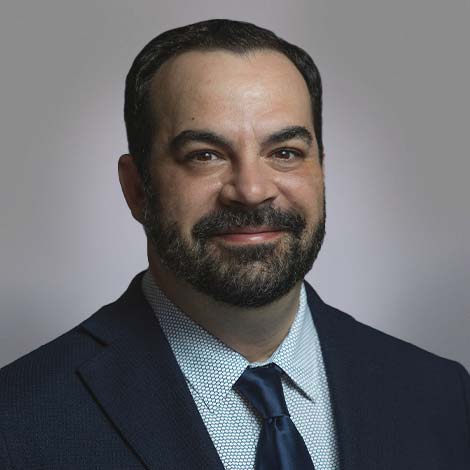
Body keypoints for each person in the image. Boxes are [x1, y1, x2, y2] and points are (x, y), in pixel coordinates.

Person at [0, 18, 469, 470]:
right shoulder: (19, 419)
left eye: (285, 153)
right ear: (137, 188)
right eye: (205, 155)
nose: (251, 189)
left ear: (321, 171)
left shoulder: (442, 396)